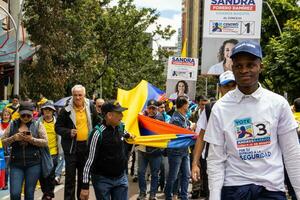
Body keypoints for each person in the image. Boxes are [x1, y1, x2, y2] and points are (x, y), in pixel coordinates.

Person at [204, 40, 300, 199]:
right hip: (234, 190)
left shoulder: (278, 104)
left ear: (260, 67)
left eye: (250, 65)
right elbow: (215, 159)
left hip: (271, 190)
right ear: (232, 68)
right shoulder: (220, 108)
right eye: (239, 66)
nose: (244, 70)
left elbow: (292, 154)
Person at [191, 71, 237, 199]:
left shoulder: (246, 106)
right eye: (226, 86)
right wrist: (195, 163)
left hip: (238, 163)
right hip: (214, 162)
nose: (230, 89)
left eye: (233, 85)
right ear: (220, 88)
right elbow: (201, 137)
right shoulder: (211, 109)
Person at [80, 100, 133, 200]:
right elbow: (89, 161)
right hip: (102, 180)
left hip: (121, 178)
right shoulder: (97, 133)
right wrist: (85, 187)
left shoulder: (121, 127)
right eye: (119, 113)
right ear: (109, 115)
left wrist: (130, 136)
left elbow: (125, 133)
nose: (122, 116)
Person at [55, 85, 99, 200]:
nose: (78, 97)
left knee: (83, 177)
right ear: (72, 95)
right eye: (75, 95)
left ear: (84, 95)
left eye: (80, 95)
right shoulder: (66, 110)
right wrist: (68, 132)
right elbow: (58, 127)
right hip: (71, 148)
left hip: (86, 146)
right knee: (69, 178)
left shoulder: (90, 107)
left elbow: (97, 122)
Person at [1, 101, 48, 200]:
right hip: (16, 163)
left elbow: (45, 142)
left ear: (32, 114)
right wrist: (14, 138)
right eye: (23, 115)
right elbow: (3, 141)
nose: (26, 118)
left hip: (34, 163)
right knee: (14, 194)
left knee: (29, 193)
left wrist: (32, 139)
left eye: (28, 115)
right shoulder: (13, 124)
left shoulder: (37, 124)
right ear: (19, 114)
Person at [165, 96, 191, 200]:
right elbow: (181, 134)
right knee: (173, 176)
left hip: (184, 151)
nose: (188, 106)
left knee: (186, 175)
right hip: (176, 152)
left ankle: (184, 196)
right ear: (183, 105)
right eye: (187, 104)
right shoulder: (175, 119)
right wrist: (190, 129)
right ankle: (168, 196)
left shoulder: (184, 117)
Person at [137, 99, 164, 200]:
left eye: (153, 108)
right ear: (147, 108)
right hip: (142, 149)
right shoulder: (141, 117)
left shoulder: (160, 118)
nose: (151, 110)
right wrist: (139, 117)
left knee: (154, 174)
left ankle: (152, 195)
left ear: (157, 109)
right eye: (150, 108)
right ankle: (142, 193)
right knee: (140, 172)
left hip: (156, 151)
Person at [39, 101, 59, 200]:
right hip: (41, 153)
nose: (47, 112)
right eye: (45, 110)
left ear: (53, 112)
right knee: (42, 175)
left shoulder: (57, 123)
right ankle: (46, 192)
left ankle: (48, 194)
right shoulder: (38, 122)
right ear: (42, 111)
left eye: (49, 110)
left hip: (53, 152)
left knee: (50, 175)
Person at [0, 108, 11, 190]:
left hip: (9, 148)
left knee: (6, 167)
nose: (6, 116)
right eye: (4, 115)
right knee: (1, 166)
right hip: (0, 147)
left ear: (10, 116)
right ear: (2, 116)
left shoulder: (13, 124)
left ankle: (5, 184)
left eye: (7, 115)